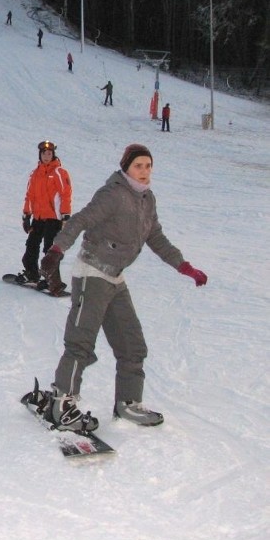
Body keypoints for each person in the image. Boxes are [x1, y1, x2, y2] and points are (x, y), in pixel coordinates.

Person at [37, 144, 207, 432]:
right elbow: (80, 220)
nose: (144, 171)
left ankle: (128, 403)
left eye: (148, 166)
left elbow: (157, 238)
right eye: (138, 165)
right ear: (126, 167)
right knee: (80, 342)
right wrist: (56, 250)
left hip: (115, 278)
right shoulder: (113, 194)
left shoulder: (146, 200)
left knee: (132, 344)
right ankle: (61, 403)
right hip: (92, 273)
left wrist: (184, 266)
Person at [16, 140, 72, 287]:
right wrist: (26, 215)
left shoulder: (59, 172)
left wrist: (65, 215)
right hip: (38, 217)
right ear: (40, 155)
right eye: (44, 154)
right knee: (31, 245)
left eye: (49, 154)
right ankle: (31, 273)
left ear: (53, 155)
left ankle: (51, 280)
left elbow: (65, 194)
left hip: (53, 218)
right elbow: (29, 195)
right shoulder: (35, 174)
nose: (47, 156)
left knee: (49, 249)